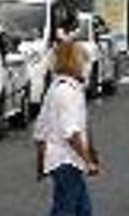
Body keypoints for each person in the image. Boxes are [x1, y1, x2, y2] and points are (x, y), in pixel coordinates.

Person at [34, 41, 100, 216]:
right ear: (74, 62)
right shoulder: (67, 93)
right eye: (84, 60)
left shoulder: (59, 88)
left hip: (63, 161)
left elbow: (40, 131)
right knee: (69, 210)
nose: (88, 66)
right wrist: (88, 161)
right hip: (65, 160)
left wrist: (41, 164)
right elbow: (70, 133)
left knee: (79, 209)